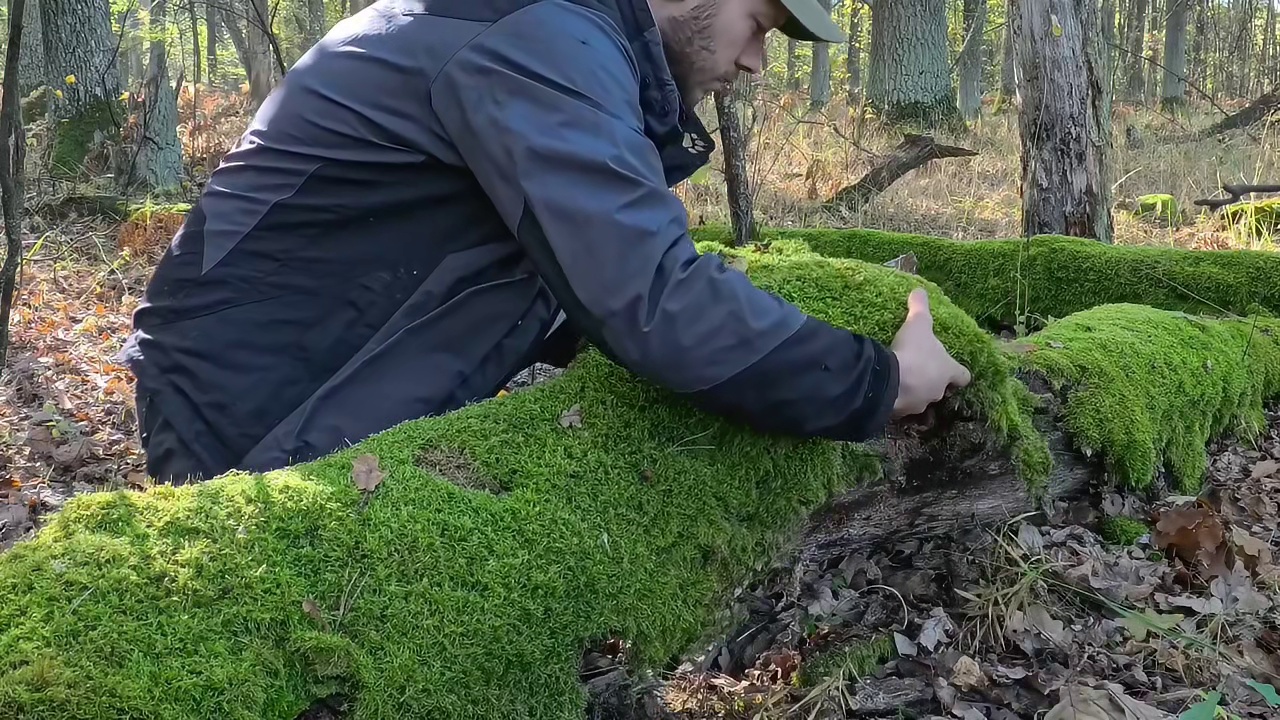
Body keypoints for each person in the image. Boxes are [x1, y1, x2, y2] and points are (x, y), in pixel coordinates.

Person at [118, 0, 972, 485]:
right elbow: (647, 296)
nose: (756, 61)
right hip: (258, 392)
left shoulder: (563, 36)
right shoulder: (540, 38)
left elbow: (561, 270)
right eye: (761, 21)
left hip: (309, 359)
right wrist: (882, 381)